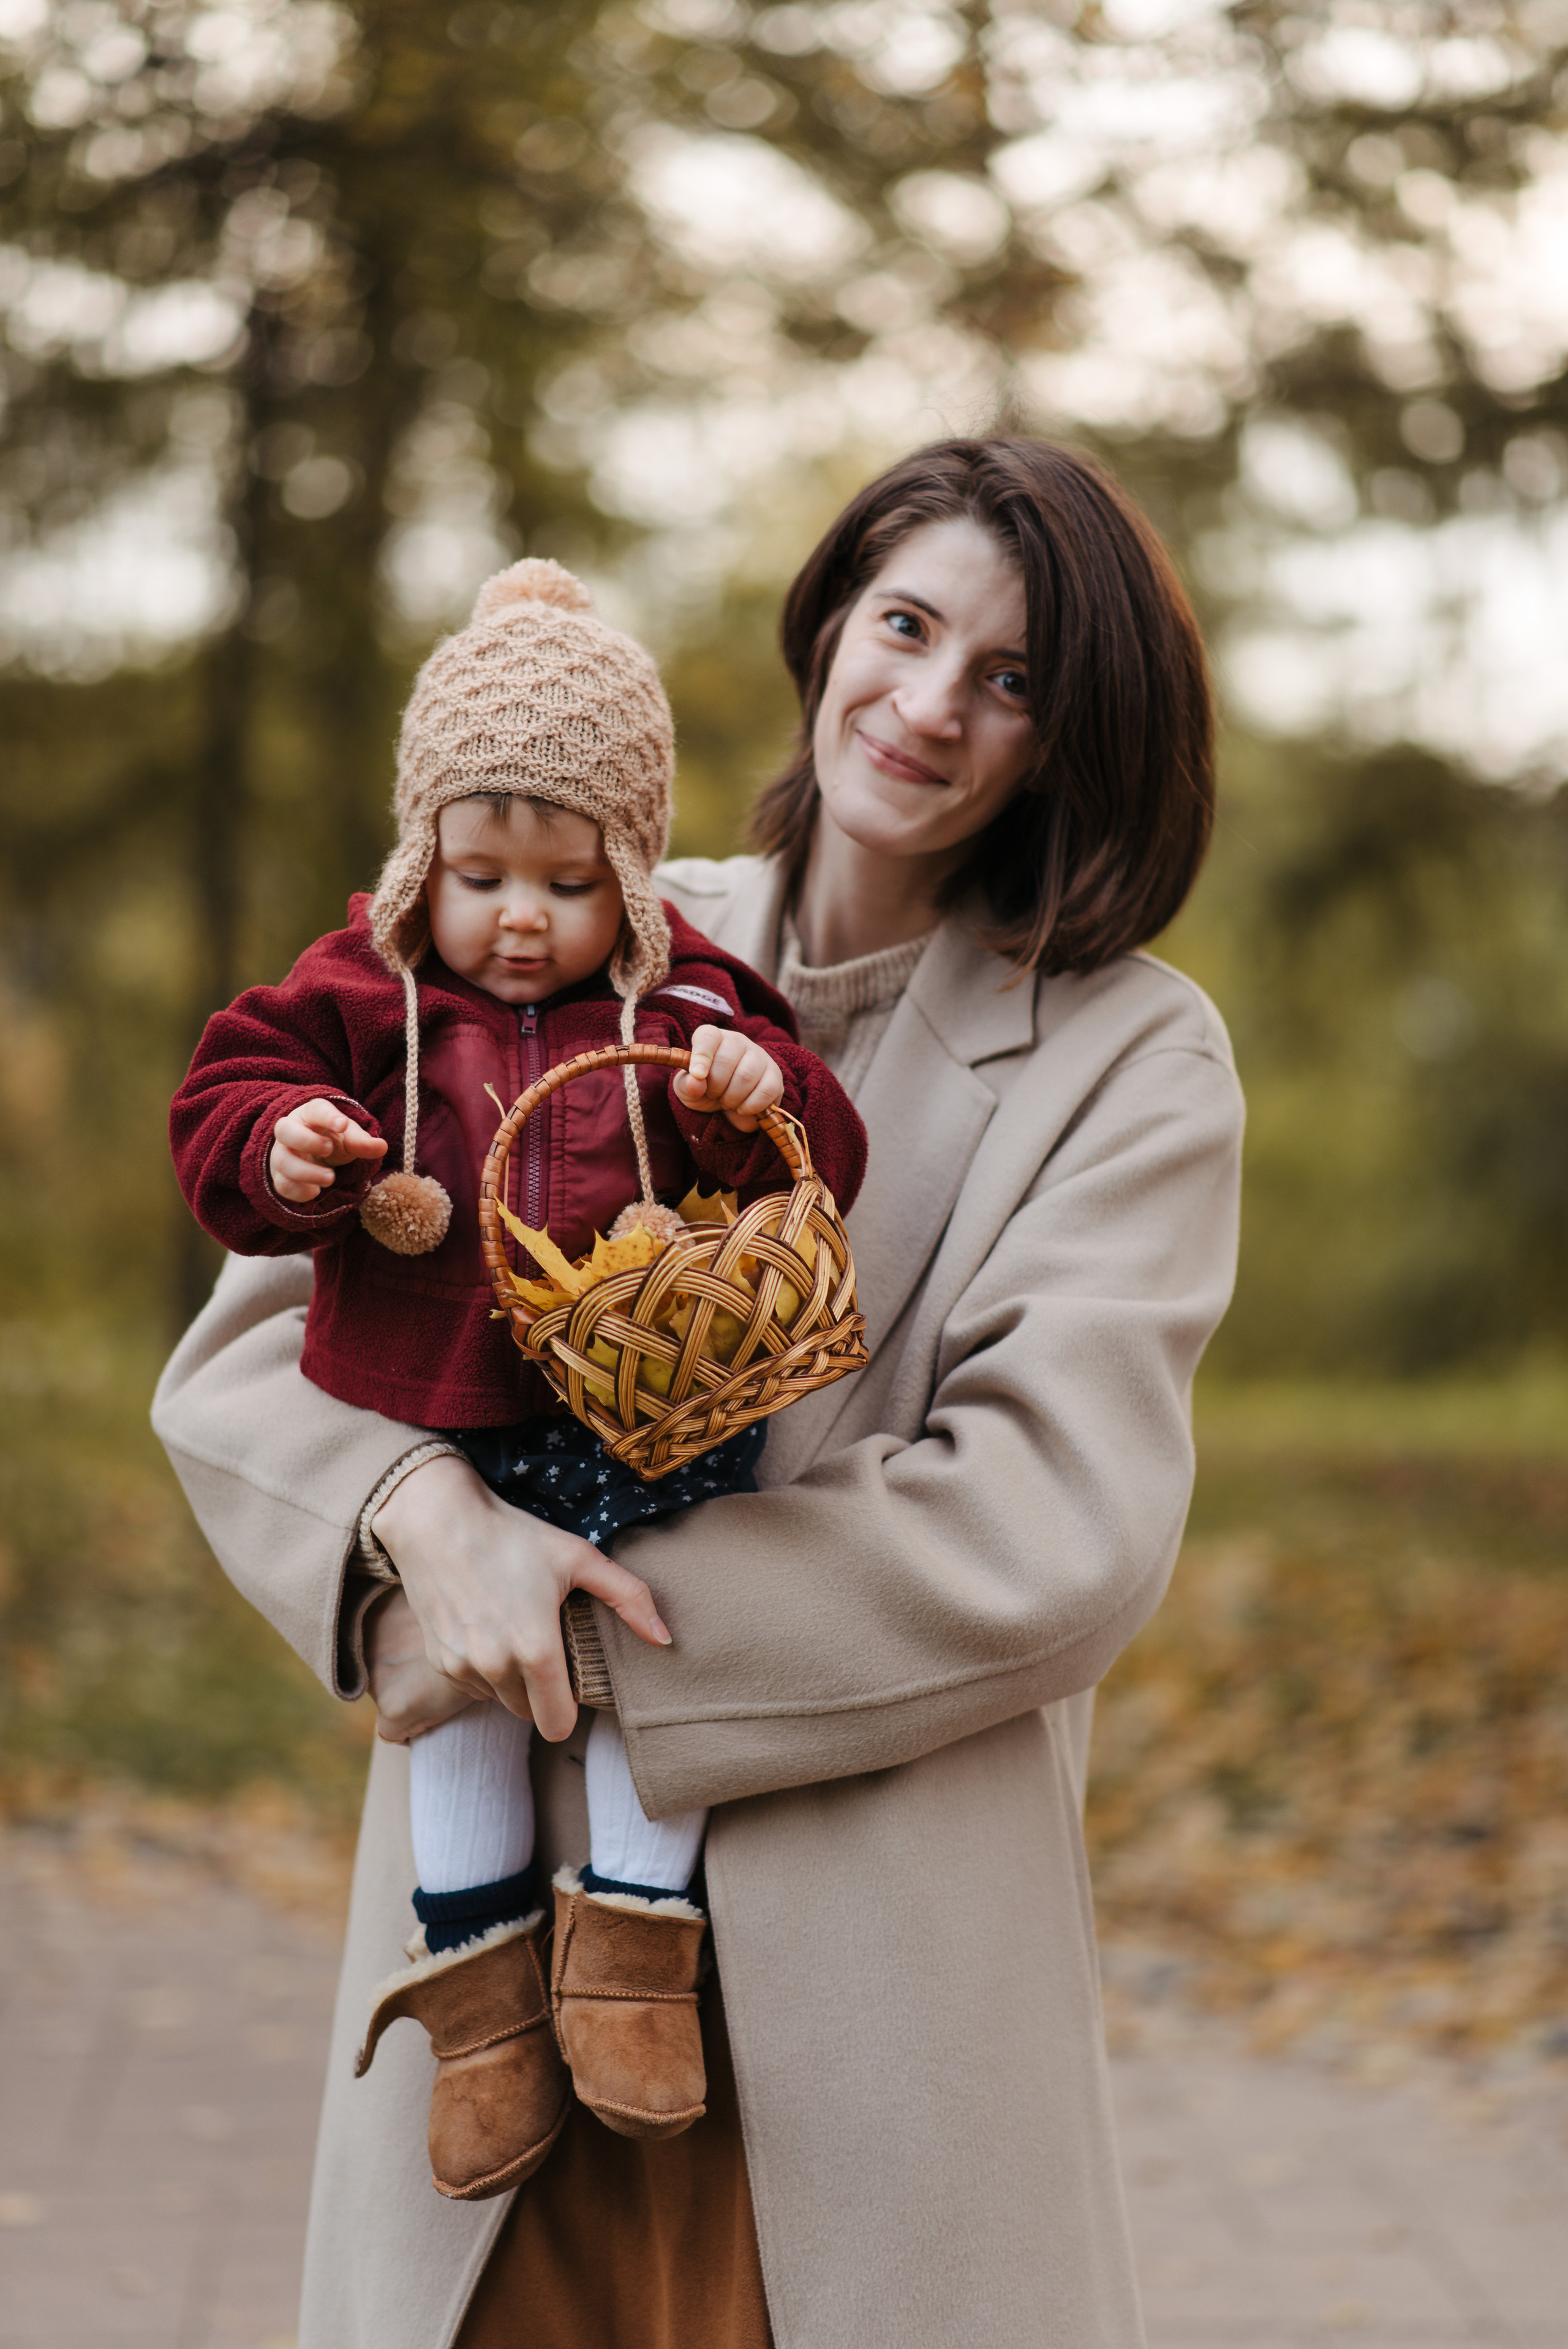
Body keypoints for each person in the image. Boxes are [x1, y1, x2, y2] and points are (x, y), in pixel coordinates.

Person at [153, 435, 1244, 2349]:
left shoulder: (1134, 1058)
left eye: (1012, 680)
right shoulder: (549, 906)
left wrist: (574, 1633)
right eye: (905, 626)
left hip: (876, 2023)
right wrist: (433, 1530)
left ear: (1070, 740)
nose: (928, 705)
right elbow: (257, 1347)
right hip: (486, 2002)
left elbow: (1052, 1520)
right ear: (830, 624)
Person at [167, 559, 865, 2198]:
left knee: (649, 1639)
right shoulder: (359, 993)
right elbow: (225, 1093)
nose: (523, 916)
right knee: (458, 1705)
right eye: (480, 874)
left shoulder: (682, 990)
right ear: (423, 857)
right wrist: (285, 1145)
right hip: (437, 1422)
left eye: (567, 878)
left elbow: (811, 1149)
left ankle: (635, 1946)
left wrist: (739, 1085)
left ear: (629, 870)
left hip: (643, 1414)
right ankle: (479, 1995)